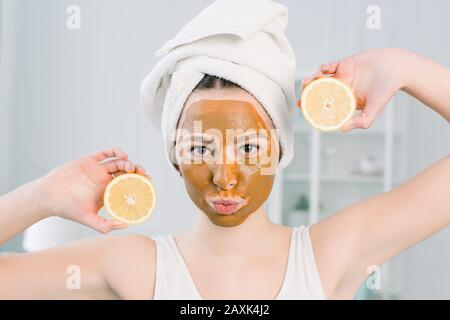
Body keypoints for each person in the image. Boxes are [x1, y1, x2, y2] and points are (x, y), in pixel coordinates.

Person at [0, 47, 449, 299]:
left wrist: (403, 67)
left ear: (280, 151)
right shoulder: (134, 267)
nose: (225, 177)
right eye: (200, 148)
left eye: (250, 147)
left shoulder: (328, 255)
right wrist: (40, 197)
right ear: (174, 157)